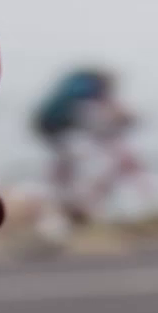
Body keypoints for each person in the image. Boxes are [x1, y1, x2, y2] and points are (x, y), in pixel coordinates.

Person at [32, 66, 136, 225]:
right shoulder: (90, 92)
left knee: (71, 164)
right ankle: (76, 206)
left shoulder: (77, 88)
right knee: (90, 164)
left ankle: (70, 204)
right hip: (61, 129)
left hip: (52, 128)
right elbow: (108, 116)